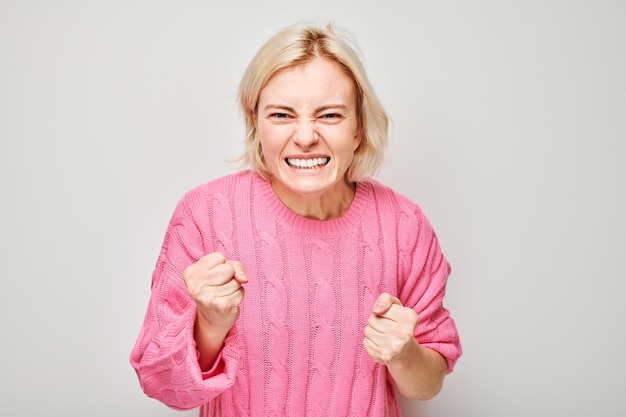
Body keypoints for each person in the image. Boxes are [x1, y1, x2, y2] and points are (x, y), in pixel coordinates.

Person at [130, 21, 462, 417]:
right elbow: (163, 387)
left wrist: (404, 354)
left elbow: (428, 385)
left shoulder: (403, 224)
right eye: (283, 115)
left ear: (358, 128)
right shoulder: (205, 213)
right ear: (256, 122)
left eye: (330, 115)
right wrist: (210, 324)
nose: (306, 137)